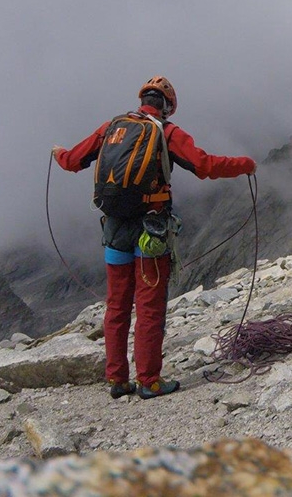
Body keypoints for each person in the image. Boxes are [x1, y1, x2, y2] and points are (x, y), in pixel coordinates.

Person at [52, 76, 256, 399]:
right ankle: (149, 380)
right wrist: (245, 164)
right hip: (152, 230)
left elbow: (73, 160)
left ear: (142, 100)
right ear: (167, 107)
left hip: (114, 228)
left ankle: (117, 379)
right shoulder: (167, 132)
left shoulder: (112, 128)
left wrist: (58, 152)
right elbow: (205, 165)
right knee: (149, 306)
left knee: (116, 305)